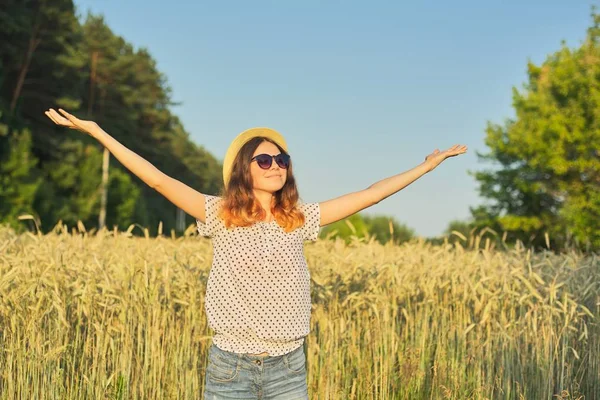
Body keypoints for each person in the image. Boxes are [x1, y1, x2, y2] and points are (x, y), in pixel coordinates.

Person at [44, 108, 467, 399]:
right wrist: (98, 132)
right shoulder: (220, 213)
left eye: (281, 158)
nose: (276, 164)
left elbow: (370, 194)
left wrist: (426, 166)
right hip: (230, 367)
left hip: (288, 369)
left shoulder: (299, 218)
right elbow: (156, 180)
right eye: (264, 159)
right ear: (244, 169)